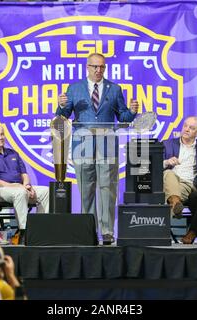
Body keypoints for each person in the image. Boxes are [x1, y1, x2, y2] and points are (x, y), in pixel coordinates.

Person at [56, 52, 139, 245]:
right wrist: (61, 107)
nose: (98, 70)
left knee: (108, 188)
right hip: (82, 145)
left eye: (102, 67)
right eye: (95, 66)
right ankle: (88, 230)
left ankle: (107, 232)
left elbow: (123, 117)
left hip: (107, 143)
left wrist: (133, 112)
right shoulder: (74, 88)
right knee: (86, 188)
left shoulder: (115, 89)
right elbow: (63, 116)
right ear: (87, 67)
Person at [0, 124, 49, 243]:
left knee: (46, 192)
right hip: (2, 189)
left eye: (2, 134)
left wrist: (27, 185)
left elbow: (24, 173)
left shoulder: (13, 153)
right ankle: (25, 232)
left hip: (21, 187)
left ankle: (40, 230)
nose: (0, 137)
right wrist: (17, 187)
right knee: (20, 192)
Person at [162, 116, 197, 218]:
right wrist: (167, 162)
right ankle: (176, 203)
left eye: (192, 128)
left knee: (165, 197)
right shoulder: (167, 144)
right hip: (169, 180)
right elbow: (155, 166)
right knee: (168, 173)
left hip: (188, 183)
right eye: (185, 126)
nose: (187, 129)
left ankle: (158, 231)